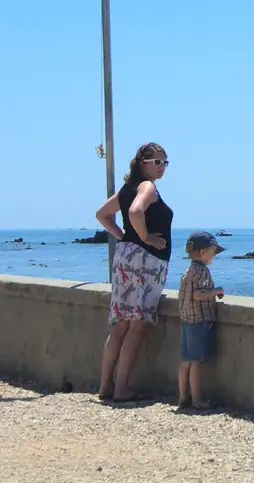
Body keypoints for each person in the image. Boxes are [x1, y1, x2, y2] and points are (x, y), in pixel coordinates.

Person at [93, 142, 173, 402]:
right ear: (142, 163)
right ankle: (122, 388)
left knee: (121, 325)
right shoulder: (146, 187)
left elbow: (102, 215)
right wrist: (146, 237)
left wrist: (125, 236)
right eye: (157, 162)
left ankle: (106, 385)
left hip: (125, 257)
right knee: (137, 325)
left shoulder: (127, 188)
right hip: (145, 261)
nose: (161, 168)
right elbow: (135, 211)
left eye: (165, 162)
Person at [177, 231, 226, 410]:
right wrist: (216, 291)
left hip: (186, 319)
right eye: (213, 252)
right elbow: (198, 295)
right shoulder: (202, 271)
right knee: (196, 361)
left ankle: (183, 396)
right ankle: (197, 399)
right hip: (198, 320)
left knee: (186, 360)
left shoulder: (188, 271)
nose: (214, 256)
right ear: (203, 252)